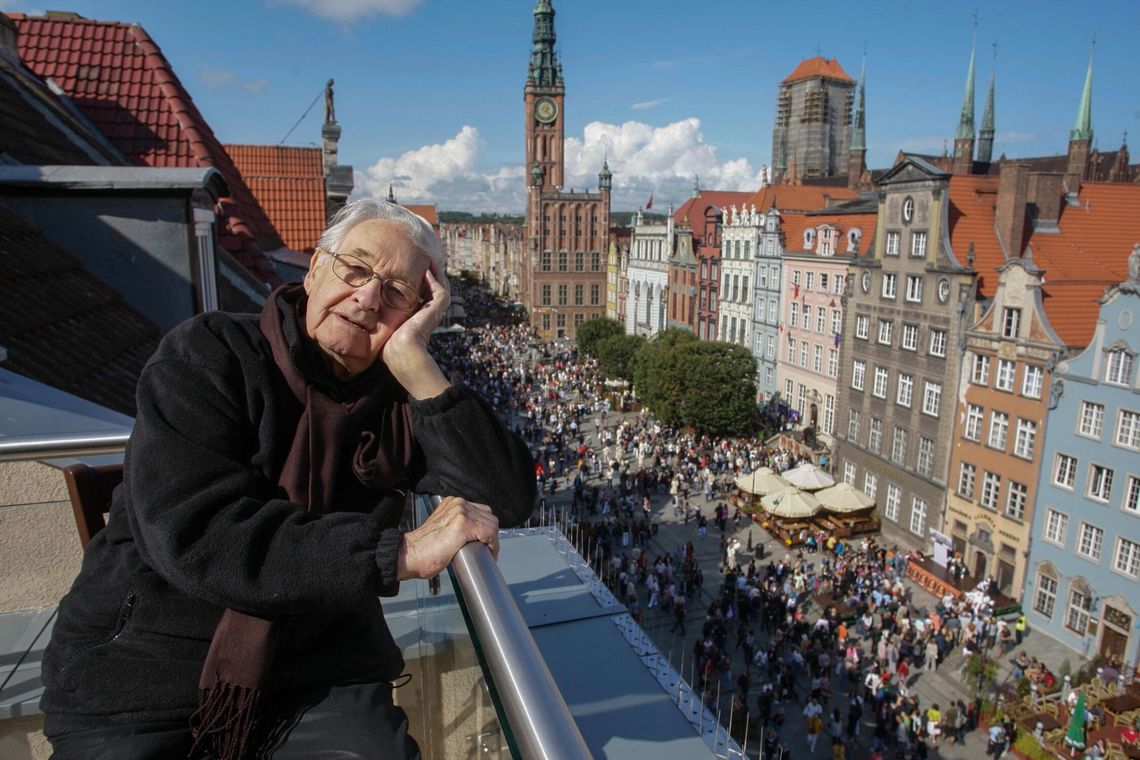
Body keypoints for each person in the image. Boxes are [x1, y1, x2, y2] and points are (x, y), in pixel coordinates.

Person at [41, 201, 536, 759]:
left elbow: (508, 496)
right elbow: (198, 533)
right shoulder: (208, 354)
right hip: (149, 661)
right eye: (355, 269)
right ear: (315, 266)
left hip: (318, 664)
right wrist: (399, 550)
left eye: (398, 293)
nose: (369, 298)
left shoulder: (395, 398)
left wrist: (419, 367)